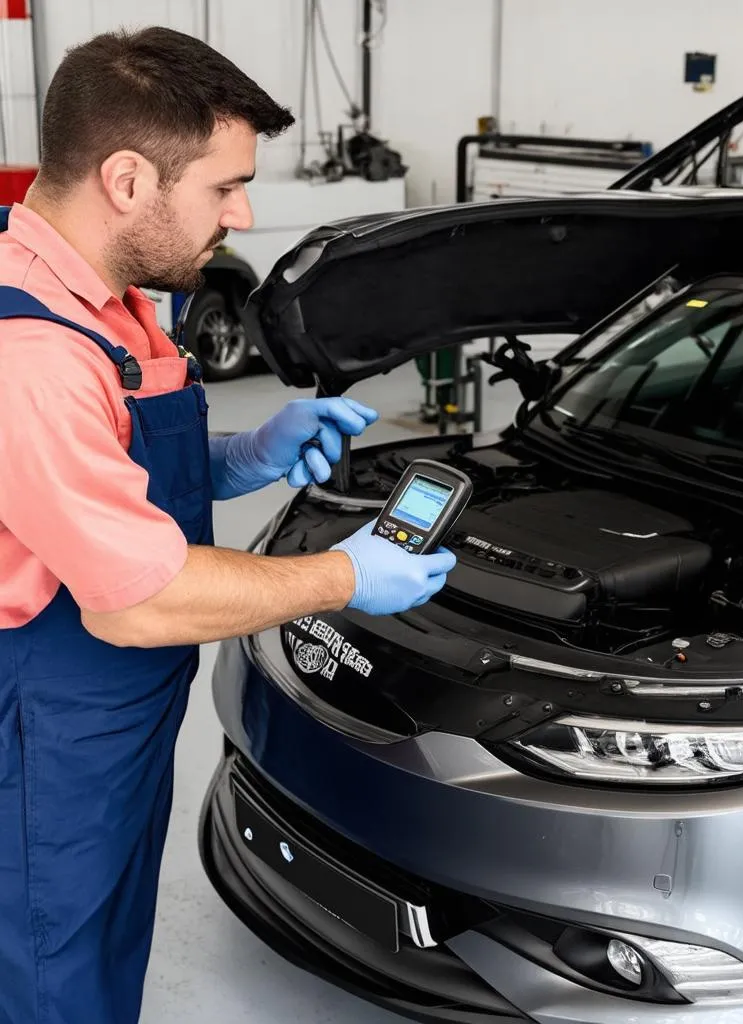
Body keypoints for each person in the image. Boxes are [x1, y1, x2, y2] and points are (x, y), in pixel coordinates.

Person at [0, 26, 455, 1024]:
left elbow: (88, 479)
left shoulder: (104, 298)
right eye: (223, 186)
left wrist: (240, 456)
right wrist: (343, 577)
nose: (242, 214)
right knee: (50, 970)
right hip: (50, 727)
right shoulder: (31, 351)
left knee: (95, 941)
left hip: (108, 720)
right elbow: (138, 597)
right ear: (127, 179)